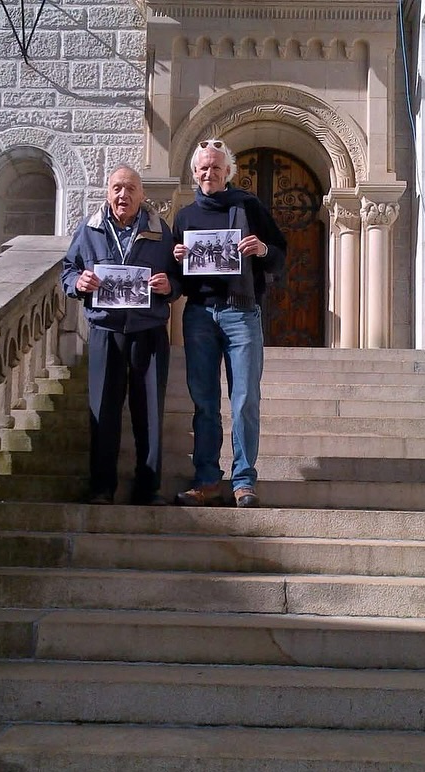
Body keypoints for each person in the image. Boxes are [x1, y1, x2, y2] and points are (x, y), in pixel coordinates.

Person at [172, 139, 287, 508]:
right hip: (199, 314)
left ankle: (243, 480)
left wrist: (262, 249)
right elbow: (176, 279)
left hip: (242, 313)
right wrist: (177, 258)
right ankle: (207, 479)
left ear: (228, 173)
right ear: (195, 173)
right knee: (204, 401)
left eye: (216, 168)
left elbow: (280, 255)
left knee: (245, 400)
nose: (210, 173)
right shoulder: (185, 217)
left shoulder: (248, 207)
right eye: (204, 168)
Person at [62, 165, 180, 506]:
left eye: (130, 189)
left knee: (150, 412)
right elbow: (68, 270)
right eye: (116, 188)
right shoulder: (89, 228)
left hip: (149, 330)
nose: (123, 195)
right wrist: (78, 282)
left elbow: (178, 276)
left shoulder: (160, 230)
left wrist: (170, 286)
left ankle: (148, 488)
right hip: (105, 330)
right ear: (108, 192)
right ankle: (102, 487)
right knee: (103, 409)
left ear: (142, 195)